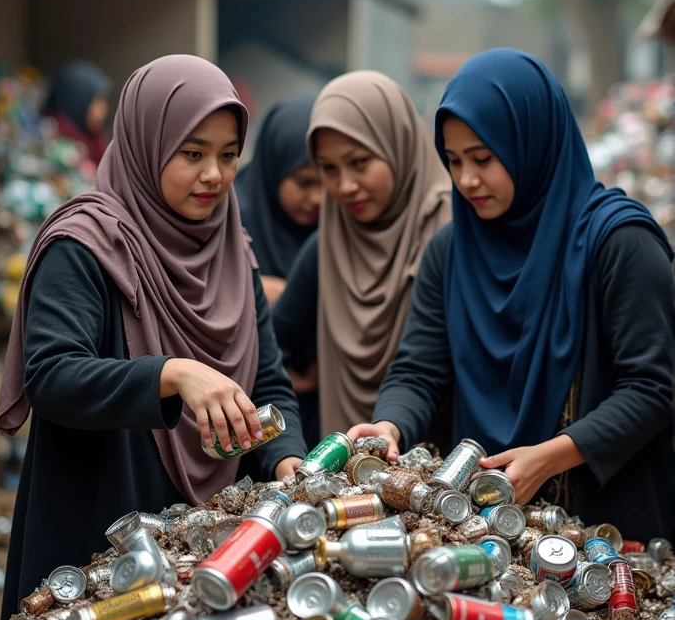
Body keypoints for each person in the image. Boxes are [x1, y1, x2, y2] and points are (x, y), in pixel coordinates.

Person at [0, 55, 307, 620]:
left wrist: (286, 460)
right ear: (146, 141)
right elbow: (51, 376)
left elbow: (268, 385)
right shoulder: (85, 244)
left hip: (205, 558)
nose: (214, 174)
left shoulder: (233, 250)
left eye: (229, 154)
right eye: (193, 153)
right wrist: (173, 373)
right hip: (95, 545)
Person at [349, 49, 674, 541]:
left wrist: (553, 454)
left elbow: (653, 386)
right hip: (487, 529)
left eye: (483, 158)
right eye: (453, 161)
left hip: (607, 533)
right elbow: (419, 368)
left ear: (533, 143)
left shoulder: (619, 243)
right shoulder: (452, 249)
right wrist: (390, 425)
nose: (466, 180)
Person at [273, 70, 452, 442]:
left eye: (359, 162)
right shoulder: (328, 246)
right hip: (345, 478)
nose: (345, 186)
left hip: (448, 475)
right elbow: (269, 349)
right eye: (329, 169)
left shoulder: (450, 233)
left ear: (397, 144)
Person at [235, 95, 321, 307]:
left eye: (328, 181)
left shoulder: (341, 223)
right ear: (273, 168)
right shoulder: (227, 221)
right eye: (305, 182)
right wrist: (245, 290)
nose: (319, 198)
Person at [45, 60, 112, 166]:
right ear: (78, 100)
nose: (104, 109)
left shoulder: (94, 139)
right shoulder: (51, 136)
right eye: (97, 101)